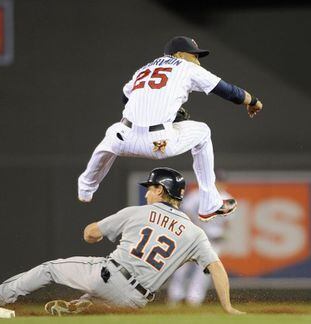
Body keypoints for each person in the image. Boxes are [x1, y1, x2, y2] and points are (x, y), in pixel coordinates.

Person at [0, 167, 244, 315]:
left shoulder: (138, 212)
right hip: (135, 301)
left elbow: (90, 234)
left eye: (150, 187)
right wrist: (228, 307)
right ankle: (82, 305)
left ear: (160, 190)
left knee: (51, 268)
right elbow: (217, 269)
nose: (148, 192)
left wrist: (94, 232)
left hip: (109, 277)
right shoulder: (194, 232)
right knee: (104, 287)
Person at [78, 36, 263, 221]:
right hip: (158, 142)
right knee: (203, 132)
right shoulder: (187, 67)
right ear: (179, 54)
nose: (197, 61)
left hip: (124, 137)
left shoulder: (144, 69)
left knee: (110, 137)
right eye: (194, 55)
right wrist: (252, 101)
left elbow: (126, 97)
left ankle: (86, 189)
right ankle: (210, 204)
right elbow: (228, 91)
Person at [167, 176, 232, 306]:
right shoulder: (198, 195)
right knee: (182, 267)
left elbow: (228, 222)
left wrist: (222, 234)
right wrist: (197, 228)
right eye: (218, 181)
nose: (220, 184)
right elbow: (186, 213)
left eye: (222, 181)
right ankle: (175, 296)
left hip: (213, 240)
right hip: (193, 238)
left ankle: (194, 299)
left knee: (205, 271)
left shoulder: (227, 199)